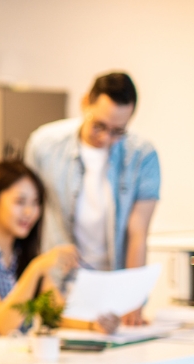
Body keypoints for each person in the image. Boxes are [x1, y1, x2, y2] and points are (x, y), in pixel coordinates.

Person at [24, 71, 160, 325]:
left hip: (113, 285)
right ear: (85, 102)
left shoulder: (143, 155)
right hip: (60, 286)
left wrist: (133, 299)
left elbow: (138, 232)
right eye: (99, 126)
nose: (106, 138)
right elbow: (30, 218)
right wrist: (41, 282)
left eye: (118, 131)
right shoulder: (44, 145)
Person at [0, 160, 113, 342]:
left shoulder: (22, 256)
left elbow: (56, 314)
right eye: (20, 202)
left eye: (35, 203)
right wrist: (37, 268)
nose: (29, 212)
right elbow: (2, 325)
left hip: (11, 362)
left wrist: (93, 324)